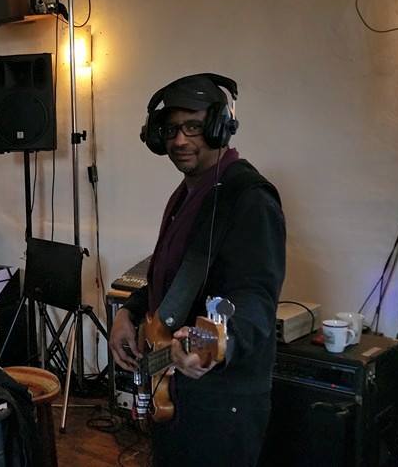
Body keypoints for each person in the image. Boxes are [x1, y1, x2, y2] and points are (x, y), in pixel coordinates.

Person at [108, 73, 286, 466]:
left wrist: (213, 344)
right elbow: (170, 277)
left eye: (193, 126)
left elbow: (256, 298)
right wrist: (129, 312)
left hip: (221, 404)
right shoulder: (189, 192)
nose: (179, 140)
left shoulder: (249, 198)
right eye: (171, 129)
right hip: (178, 393)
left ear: (220, 127)